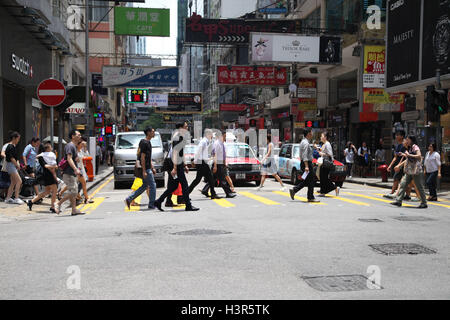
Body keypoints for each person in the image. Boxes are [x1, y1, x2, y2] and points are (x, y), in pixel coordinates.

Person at [154, 121, 199, 212]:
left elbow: (181, 153)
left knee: (173, 187)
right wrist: (175, 168)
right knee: (184, 186)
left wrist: (185, 165)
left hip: (178, 164)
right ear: (181, 128)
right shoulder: (177, 137)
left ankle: (159, 201)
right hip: (176, 165)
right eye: (186, 127)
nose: (187, 128)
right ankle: (188, 206)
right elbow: (175, 153)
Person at [390, 135, 428, 209]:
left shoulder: (415, 147)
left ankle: (424, 203)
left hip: (416, 171)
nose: (406, 141)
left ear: (411, 140)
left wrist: (409, 155)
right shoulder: (409, 148)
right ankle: (398, 201)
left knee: (419, 186)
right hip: (410, 171)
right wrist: (404, 155)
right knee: (403, 184)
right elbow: (408, 158)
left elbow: (419, 156)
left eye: (407, 139)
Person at [124, 127, 157, 210]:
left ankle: (129, 199)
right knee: (152, 185)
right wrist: (144, 170)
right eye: (153, 131)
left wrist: (152, 167)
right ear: (148, 133)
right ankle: (152, 204)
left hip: (148, 168)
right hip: (146, 168)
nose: (154, 133)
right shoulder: (144, 143)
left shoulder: (148, 142)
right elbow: (142, 157)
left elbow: (148, 158)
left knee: (144, 186)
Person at [55, 130, 84, 215]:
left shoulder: (73, 146)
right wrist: (75, 169)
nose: (80, 136)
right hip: (69, 172)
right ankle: (58, 203)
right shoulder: (70, 146)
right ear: (73, 136)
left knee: (73, 191)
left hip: (71, 172)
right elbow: (69, 158)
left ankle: (74, 209)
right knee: (74, 191)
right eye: (78, 135)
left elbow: (72, 159)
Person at [187, 129, 220, 199]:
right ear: (207, 134)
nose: (212, 136)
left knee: (207, 179)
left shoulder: (207, 142)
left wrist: (207, 159)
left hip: (203, 162)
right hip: (201, 162)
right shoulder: (204, 142)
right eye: (211, 135)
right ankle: (185, 194)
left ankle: (213, 193)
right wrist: (195, 161)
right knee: (201, 179)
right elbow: (198, 151)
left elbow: (203, 153)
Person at [289, 128, 319, 203]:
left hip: (305, 163)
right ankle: (310, 197)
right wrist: (306, 166)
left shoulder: (304, 142)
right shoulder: (305, 143)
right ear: (308, 133)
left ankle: (294, 190)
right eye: (311, 132)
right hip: (307, 163)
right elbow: (305, 155)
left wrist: (313, 146)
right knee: (311, 180)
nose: (312, 134)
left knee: (308, 180)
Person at [27, 143, 58, 213]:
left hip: (46, 175)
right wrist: (54, 167)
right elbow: (45, 166)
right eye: (50, 147)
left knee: (47, 191)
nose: (52, 148)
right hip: (48, 175)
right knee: (54, 190)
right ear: (47, 149)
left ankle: (31, 201)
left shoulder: (44, 156)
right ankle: (53, 207)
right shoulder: (41, 157)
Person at [210, 131, 236, 198]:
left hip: (221, 164)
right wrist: (215, 166)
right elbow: (215, 155)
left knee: (212, 179)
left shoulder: (222, 144)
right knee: (222, 180)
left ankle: (206, 190)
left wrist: (224, 164)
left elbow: (223, 155)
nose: (225, 138)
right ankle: (228, 193)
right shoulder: (216, 143)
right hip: (217, 164)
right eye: (224, 136)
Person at [384, 131, 407, 199]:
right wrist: (390, 165)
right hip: (397, 165)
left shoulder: (404, 145)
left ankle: (393, 192)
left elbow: (404, 156)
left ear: (402, 136)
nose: (396, 137)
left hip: (403, 165)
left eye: (398, 135)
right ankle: (402, 194)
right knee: (401, 179)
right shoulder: (397, 146)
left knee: (396, 178)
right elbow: (395, 157)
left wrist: (399, 165)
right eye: (396, 135)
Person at [3, 131, 23, 204]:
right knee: (19, 181)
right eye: (18, 139)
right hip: (11, 165)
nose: (18, 140)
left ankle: (8, 198)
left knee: (13, 182)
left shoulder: (13, 146)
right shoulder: (10, 146)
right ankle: (16, 198)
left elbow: (15, 158)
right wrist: (17, 165)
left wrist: (17, 164)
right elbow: (11, 158)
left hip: (11, 165)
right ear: (14, 138)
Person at [318, 131, 339, 197]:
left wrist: (322, 154)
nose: (321, 137)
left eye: (322, 136)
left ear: (325, 137)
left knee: (324, 178)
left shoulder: (327, 144)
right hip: (323, 163)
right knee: (322, 177)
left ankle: (335, 187)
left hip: (326, 163)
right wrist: (318, 149)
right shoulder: (324, 144)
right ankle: (323, 191)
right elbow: (323, 151)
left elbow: (330, 154)